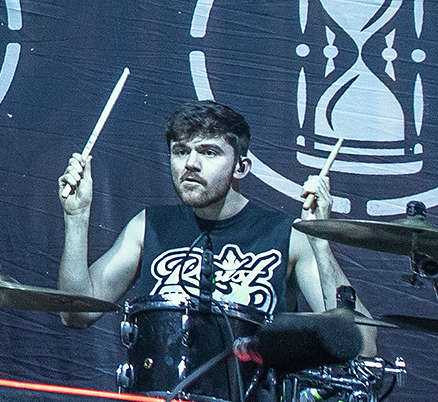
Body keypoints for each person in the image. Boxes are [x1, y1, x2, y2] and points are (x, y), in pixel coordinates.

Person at [55, 99, 375, 375]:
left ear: (241, 167)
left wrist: (320, 242)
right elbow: (76, 314)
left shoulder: (287, 235)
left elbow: (363, 345)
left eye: (209, 152)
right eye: (181, 151)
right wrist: (76, 218)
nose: (191, 164)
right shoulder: (149, 226)